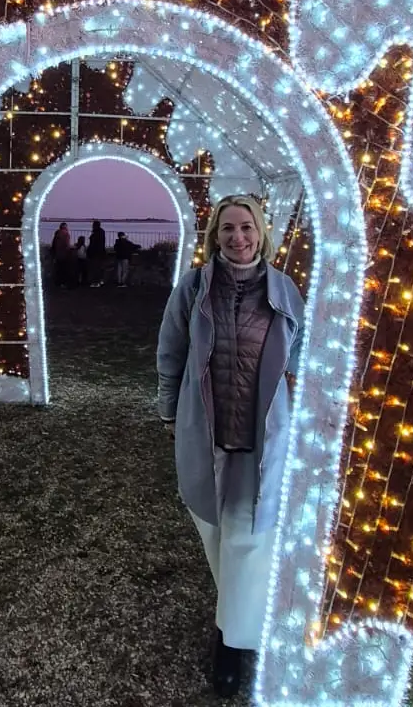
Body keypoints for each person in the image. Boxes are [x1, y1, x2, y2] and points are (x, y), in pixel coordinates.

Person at [156, 195, 304, 698]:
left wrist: (303, 405)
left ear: (262, 232)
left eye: (246, 228)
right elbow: (171, 351)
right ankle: (239, 618)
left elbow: (302, 355)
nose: (237, 238)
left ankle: (232, 645)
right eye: (226, 230)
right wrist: (169, 411)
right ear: (214, 237)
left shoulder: (284, 291)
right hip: (207, 433)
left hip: (261, 439)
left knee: (250, 538)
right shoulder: (195, 288)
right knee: (216, 534)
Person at [50, 222, 72, 288]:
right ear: (65, 227)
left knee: (58, 269)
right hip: (64, 254)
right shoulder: (66, 234)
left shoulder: (57, 233)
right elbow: (67, 245)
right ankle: (63, 283)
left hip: (57, 254)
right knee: (63, 269)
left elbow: (53, 244)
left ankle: (58, 283)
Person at [88, 220, 107, 287]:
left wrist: (89, 251)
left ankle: (96, 282)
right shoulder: (102, 232)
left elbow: (93, 244)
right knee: (100, 267)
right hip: (100, 252)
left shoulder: (96, 233)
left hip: (96, 253)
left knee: (95, 268)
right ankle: (100, 281)